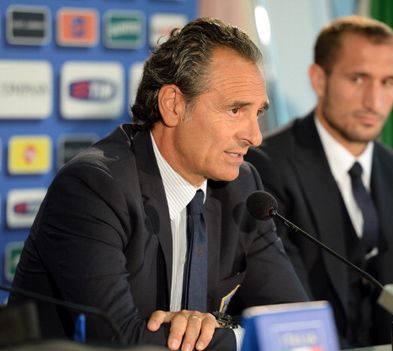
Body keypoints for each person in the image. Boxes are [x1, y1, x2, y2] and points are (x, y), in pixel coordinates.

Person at [8, 17, 308, 351]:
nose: (254, 136)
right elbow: (120, 341)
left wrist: (220, 329)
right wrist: (238, 337)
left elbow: (295, 324)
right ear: (174, 105)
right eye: (235, 110)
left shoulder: (244, 188)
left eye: (258, 113)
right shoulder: (93, 187)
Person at [246, 15, 393, 348]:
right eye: (358, 79)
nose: (374, 101)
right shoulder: (265, 167)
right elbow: (288, 309)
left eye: (388, 82)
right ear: (319, 79)